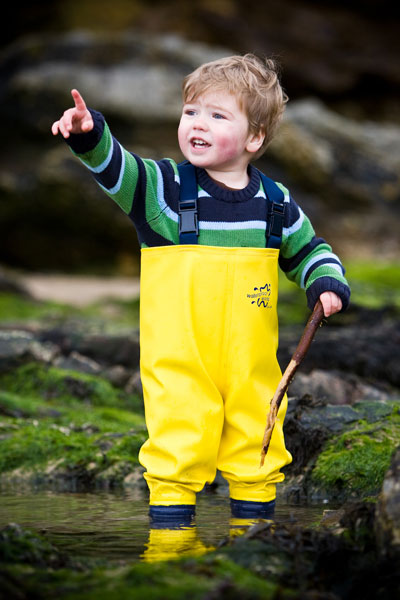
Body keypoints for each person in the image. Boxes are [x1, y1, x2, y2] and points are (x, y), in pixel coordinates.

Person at [52, 54, 350, 526]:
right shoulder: (164, 191)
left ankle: (254, 537)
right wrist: (90, 136)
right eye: (191, 112)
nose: (198, 124)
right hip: (179, 366)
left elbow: (309, 249)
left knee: (258, 446)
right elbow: (119, 171)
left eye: (217, 115)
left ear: (255, 137)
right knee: (177, 447)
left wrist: (326, 282)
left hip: (251, 369)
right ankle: (170, 547)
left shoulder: (275, 204)